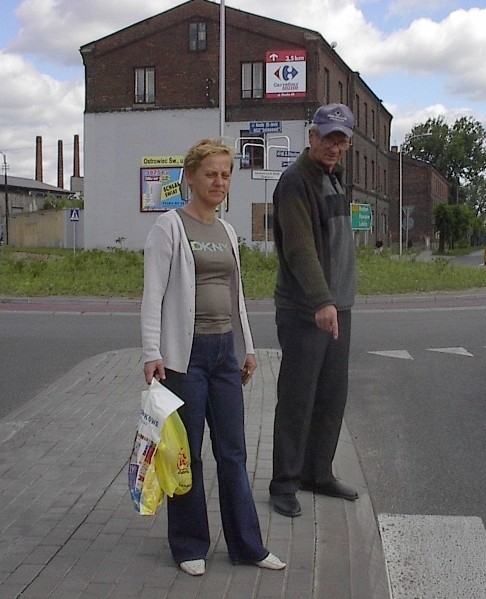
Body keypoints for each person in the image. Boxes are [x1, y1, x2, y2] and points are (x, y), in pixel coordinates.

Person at [141, 138, 285, 575]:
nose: (219, 181)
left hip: (225, 352)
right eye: (210, 173)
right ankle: (189, 545)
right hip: (185, 356)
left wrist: (248, 347)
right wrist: (152, 352)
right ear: (190, 177)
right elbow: (153, 295)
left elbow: (235, 294)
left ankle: (248, 546)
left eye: (225, 174)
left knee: (234, 452)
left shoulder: (227, 231)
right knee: (189, 455)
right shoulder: (169, 226)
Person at [269, 103, 359, 518]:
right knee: (297, 397)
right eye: (327, 137)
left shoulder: (333, 180)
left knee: (331, 396)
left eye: (341, 140)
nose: (334, 146)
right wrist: (322, 300)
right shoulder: (295, 182)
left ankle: (317, 473)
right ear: (311, 136)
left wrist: (338, 300)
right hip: (307, 309)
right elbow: (300, 247)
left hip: (338, 307)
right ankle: (284, 483)